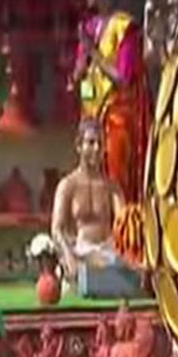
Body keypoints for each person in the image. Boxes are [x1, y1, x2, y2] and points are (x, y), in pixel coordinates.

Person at [73, 0, 149, 264]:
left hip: (117, 116)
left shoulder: (124, 27)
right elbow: (80, 71)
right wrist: (79, 67)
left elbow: (123, 76)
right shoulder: (88, 28)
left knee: (116, 180)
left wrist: (93, 53)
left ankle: (124, 249)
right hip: (91, 118)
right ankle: (95, 248)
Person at [51, 118, 123, 280]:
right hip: (78, 251)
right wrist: (68, 255)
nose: (96, 149)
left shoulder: (112, 187)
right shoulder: (67, 185)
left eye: (100, 143)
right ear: (79, 146)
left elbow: (124, 225)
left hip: (107, 253)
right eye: (90, 143)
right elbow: (57, 230)